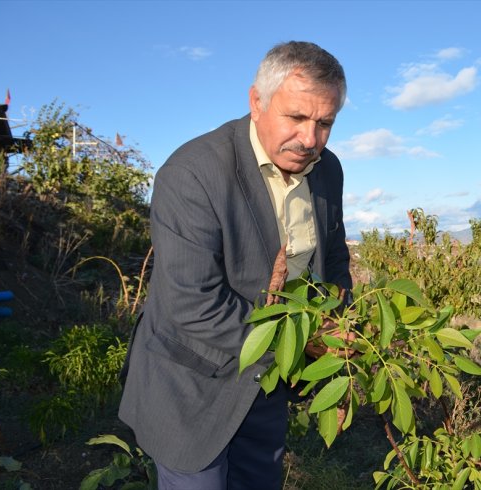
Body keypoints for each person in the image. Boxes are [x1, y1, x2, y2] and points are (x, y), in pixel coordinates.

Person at [118, 41, 352, 489]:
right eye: (297, 117)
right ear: (256, 102)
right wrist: (305, 343)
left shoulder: (327, 170)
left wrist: (343, 325)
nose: (309, 139)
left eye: (325, 123)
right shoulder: (192, 174)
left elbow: (334, 259)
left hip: (266, 385)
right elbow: (194, 304)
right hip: (191, 388)